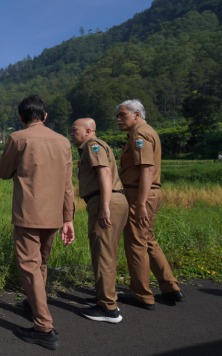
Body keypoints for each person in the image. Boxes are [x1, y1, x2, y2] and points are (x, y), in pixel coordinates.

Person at [0, 95, 75, 351]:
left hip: (28, 214)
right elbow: (67, 185)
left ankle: (44, 327)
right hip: (54, 215)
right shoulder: (63, 142)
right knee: (41, 263)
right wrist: (68, 218)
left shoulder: (18, 138)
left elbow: (3, 172)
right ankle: (33, 305)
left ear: (20, 117)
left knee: (29, 266)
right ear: (45, 116)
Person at [115, 100, 185, 310]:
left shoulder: (140, 135)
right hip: (144, 193)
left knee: (136, 244)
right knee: (147, 240)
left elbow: (146, 169)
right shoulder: (144, 132)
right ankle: (170, 287)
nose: (118, 119)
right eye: (117, 116)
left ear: (136, 115)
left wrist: (141, 202)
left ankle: (141, 295)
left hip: (140, 194)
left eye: (122, 115)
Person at [70, 118, 128, 323]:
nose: (71, 133)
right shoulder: (91, 146)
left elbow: (105, 173)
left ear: (88, 131)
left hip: (105, 200)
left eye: (74, 130)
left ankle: (109, 308)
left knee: (103, 253)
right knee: (106, 252)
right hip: (110, 199)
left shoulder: (92, 146)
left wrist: (104, 207)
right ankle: (104, 297)